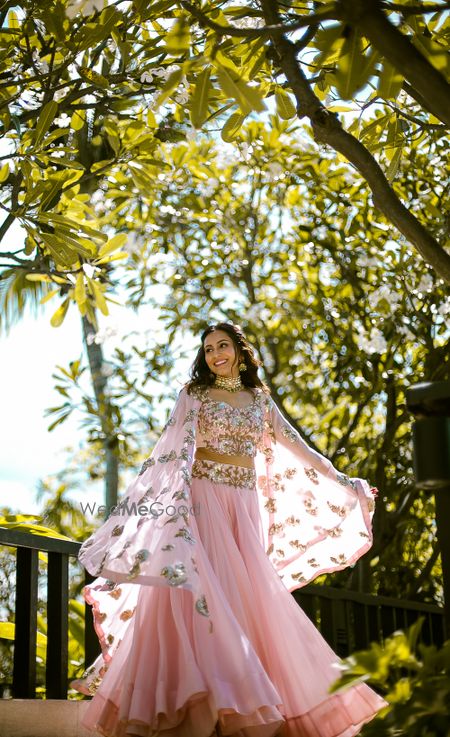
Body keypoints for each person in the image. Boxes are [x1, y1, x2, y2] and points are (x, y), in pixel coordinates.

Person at [71, 321, 387, 737]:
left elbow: (297, 446)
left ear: (240, 350)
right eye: (207, 349)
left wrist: (349, 484)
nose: (215, 354)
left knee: (247, 600)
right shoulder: (195, 394)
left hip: (242, 506)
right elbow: (173, 449)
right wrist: (173, 510)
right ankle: (202, 705)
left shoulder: (260, 400)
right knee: (204, 600)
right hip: (202, 504)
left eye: (222, 345)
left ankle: (245, 705)